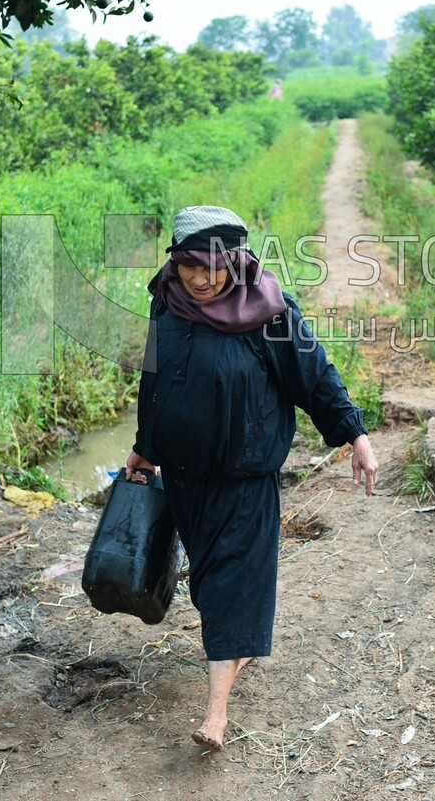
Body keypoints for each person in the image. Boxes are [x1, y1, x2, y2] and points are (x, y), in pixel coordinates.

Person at [124, 204, 379, 753]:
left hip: (245, 476)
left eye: (210, 267)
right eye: (188, 266)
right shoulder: (167, 303)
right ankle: (237, 648)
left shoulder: (270, 311)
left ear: (236, 262)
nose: (198, 278)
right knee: (211, 582)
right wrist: (145, 448)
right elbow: (154, 380)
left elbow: (316, 377)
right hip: (186, 478)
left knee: (226, 584)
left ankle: (215, 713)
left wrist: (355, 435)